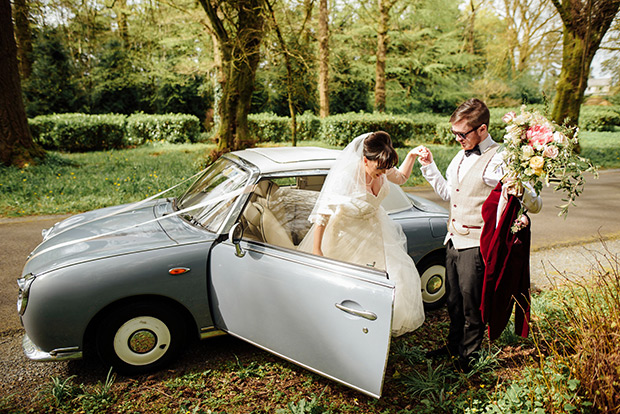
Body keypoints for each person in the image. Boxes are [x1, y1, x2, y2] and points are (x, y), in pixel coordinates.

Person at [412, 98, 541, 371]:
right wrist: (429, 166)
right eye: (454, 133)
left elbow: (536, 203)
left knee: (473, 305)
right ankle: (453, 345)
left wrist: (522, 190)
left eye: (463, 133)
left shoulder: (502, 159)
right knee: (453, 301)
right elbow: (450, 193)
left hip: (477, 244)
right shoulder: (461, 155)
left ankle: (468, 357)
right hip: (452, 240)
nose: (458, 138)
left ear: (482, 129)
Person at [299, 131, 425, 337]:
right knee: (348, 287)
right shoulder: (345, 177)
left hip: (376, 231)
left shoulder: (382, 167)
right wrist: (317, 249)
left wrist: (411, 156)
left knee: (394, 278)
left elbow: (401, 178)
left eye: (386, 169)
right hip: (346, 236)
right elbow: (322, 214)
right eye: (379, 169)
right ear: (365, 160)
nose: (383, 174)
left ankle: (377, 328)